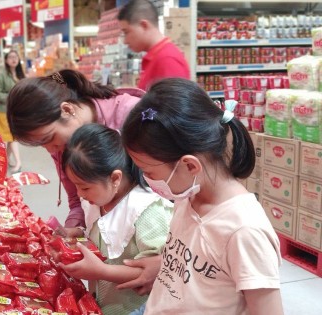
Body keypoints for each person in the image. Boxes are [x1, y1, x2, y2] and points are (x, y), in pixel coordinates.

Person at [120, 78, 283, 315]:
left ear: (189, 165)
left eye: (149, 171)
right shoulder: (188, 195)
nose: (146, 179)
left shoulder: (244, 232)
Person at [6, 69, 144, 229]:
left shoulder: (133, 116)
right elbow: (77, 202)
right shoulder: (61, 145)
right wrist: (72, 231)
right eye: (41, 144)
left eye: (49, 138)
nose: (50, 149)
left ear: (67, 110)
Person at [59, 123, 173, 314]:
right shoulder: (99, 200)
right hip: (103, 305)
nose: (79, 194)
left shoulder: (147, 211)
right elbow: (102, 238)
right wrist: (76, 236)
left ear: (115, 179)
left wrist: (101, 272)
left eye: (84, 187)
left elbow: (154, 274)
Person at [118, 0, 190, 90]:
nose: (125, 41)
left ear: (144, 25)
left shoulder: (167, 60)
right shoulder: (157, 57)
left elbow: (173, 103)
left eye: (126, 32)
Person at [0, 50, 25, 173]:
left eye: (16, 57)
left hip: (17, 111)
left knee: (11, 137)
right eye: (10, 57)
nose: (13, 59)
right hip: (4, 111)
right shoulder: (1, 75)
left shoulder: (20, 74)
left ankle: (4, 160)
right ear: (6, 60)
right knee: (12, 137)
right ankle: (18, 163)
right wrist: (12, 97)